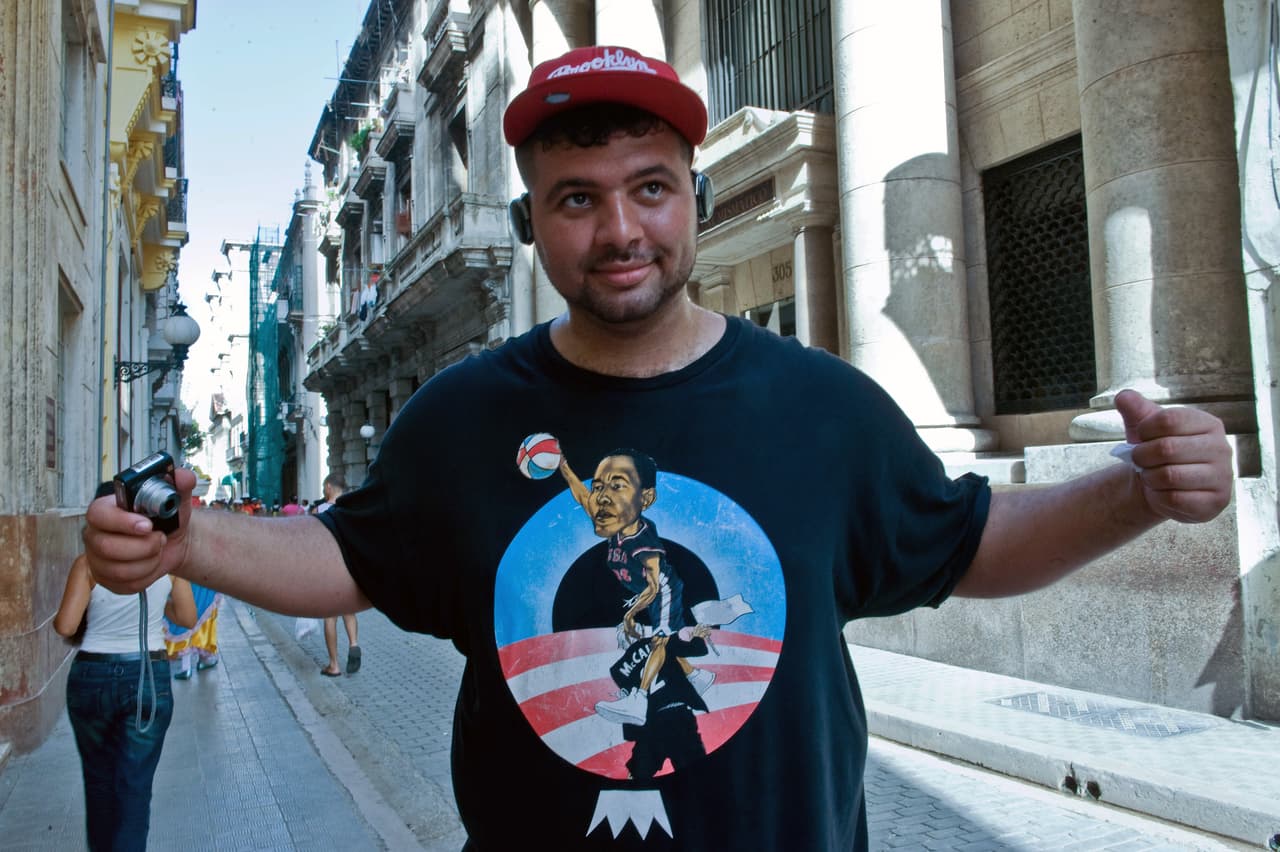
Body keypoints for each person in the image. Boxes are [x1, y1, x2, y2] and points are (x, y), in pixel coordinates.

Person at [83, 45, 1234, 850]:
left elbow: (969, 543)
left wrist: (1130, 495)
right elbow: (350, 561)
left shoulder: (823, 407)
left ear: (698, 201)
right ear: (533, 220)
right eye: (576, 199)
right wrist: (182, 540)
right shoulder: (464, 413)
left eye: (649, 189)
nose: (619, 229)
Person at [54, 546, 197, 851]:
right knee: (135, 789)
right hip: (147, 674)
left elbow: (66, 625)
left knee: (99, 784)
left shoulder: (89, 563)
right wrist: (160, 608)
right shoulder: (167, 563)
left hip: (92, 675)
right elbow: (187, 617)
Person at [316, 473, 360, 676]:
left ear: (329, 487)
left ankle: (334, 665)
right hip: (349, 567)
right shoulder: (352, 509)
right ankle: (353, 643)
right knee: (349, 611)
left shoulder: (322, 510)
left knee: (330, 617)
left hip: (329, 568)